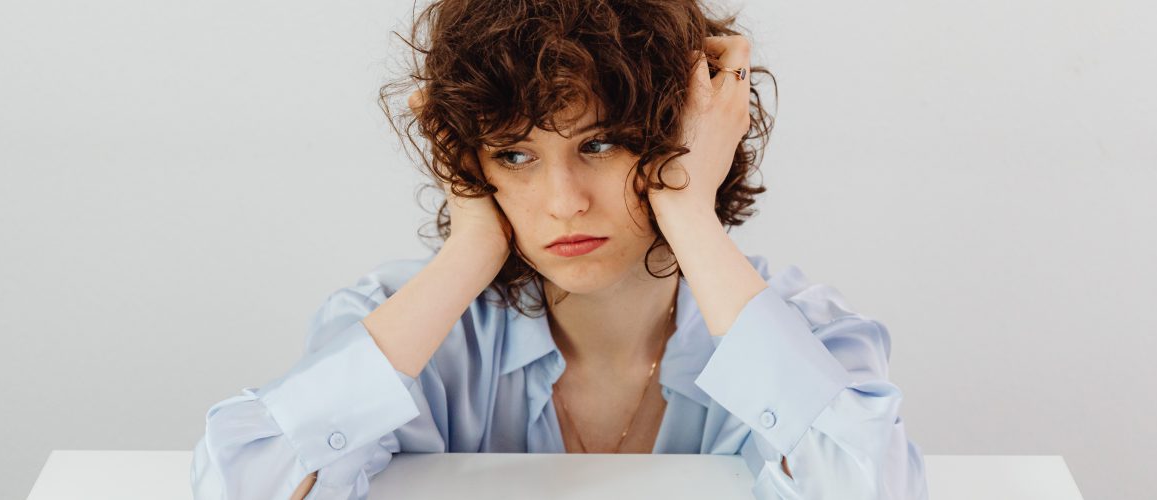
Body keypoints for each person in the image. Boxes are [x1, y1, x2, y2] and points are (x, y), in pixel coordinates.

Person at [191, 0, 928, 498]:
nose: (563, 201)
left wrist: (688, 211)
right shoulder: (406, 326)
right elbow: (235, 486)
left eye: (600, 144)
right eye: (514, 156)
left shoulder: (800, 332)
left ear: (687, 136)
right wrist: (469, 251)